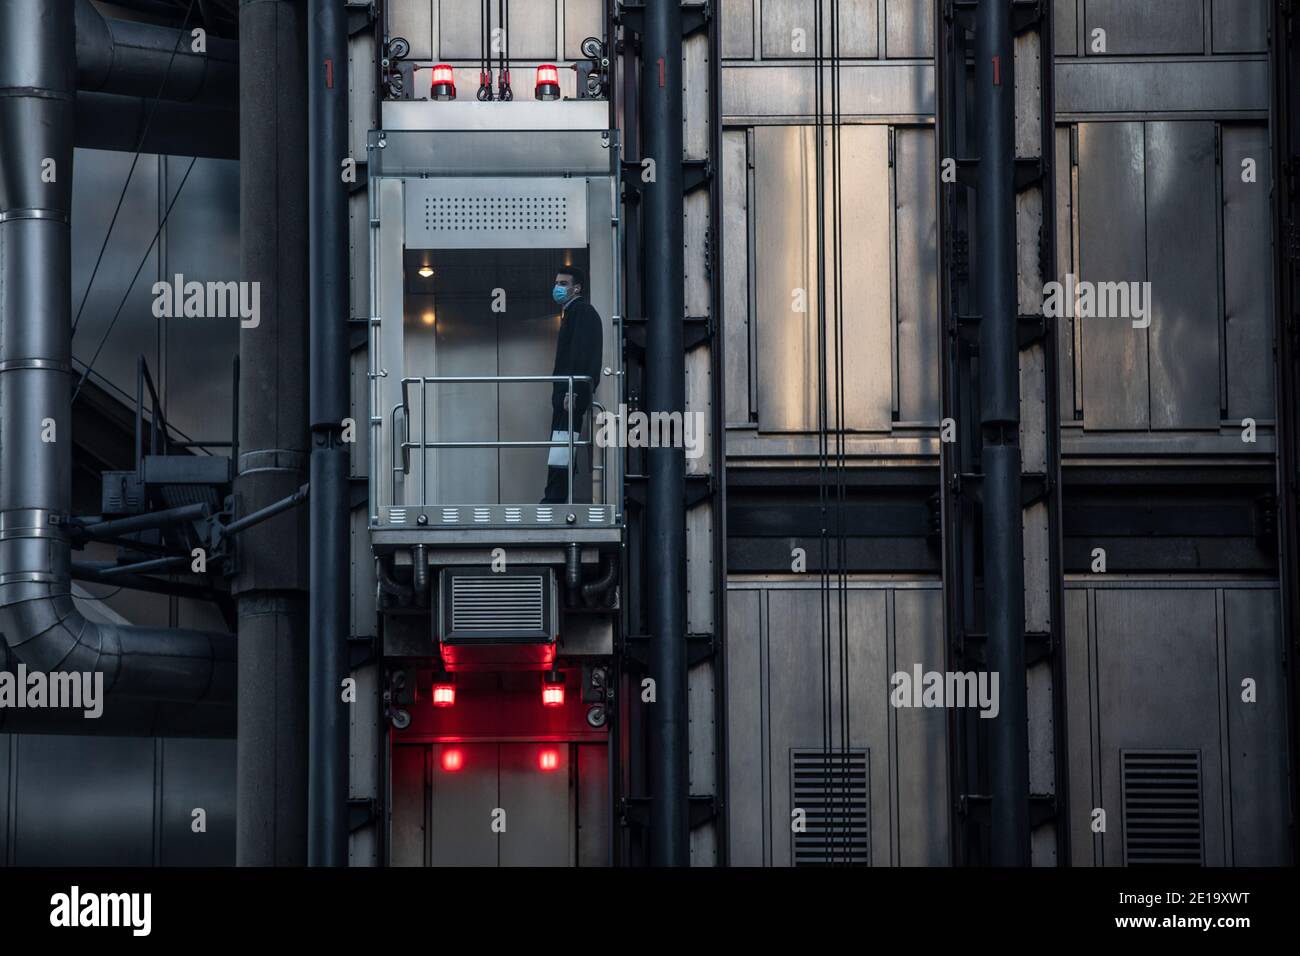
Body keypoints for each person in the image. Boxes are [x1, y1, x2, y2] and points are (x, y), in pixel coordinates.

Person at [542, 266, 603, 503]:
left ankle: (555, 497)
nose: (558, 288)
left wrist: (572, 391)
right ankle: (556, 494)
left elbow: (580, 354)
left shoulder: (581, 312)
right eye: (557, 282)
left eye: (564, 283)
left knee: (562, 442)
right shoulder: (574, 313)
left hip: (570, 394)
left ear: (577, 288)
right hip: (568, 393)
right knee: (563, 443)